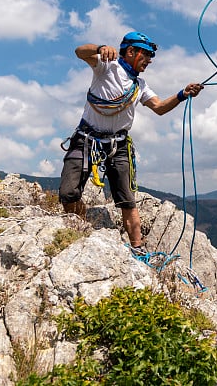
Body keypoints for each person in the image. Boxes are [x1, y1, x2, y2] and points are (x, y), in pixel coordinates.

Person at [59, 31, 204, 250]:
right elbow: (80, 52)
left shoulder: (140, 85)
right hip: (87, 138)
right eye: (145, 55)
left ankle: (138, 247)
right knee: (68, 193)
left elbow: (159, 107)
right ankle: (82, 227)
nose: (149, 61)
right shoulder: (106, 66)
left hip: (117, 144)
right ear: (131, 52)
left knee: (127, 200)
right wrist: (99, 48)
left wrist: (182, 94)